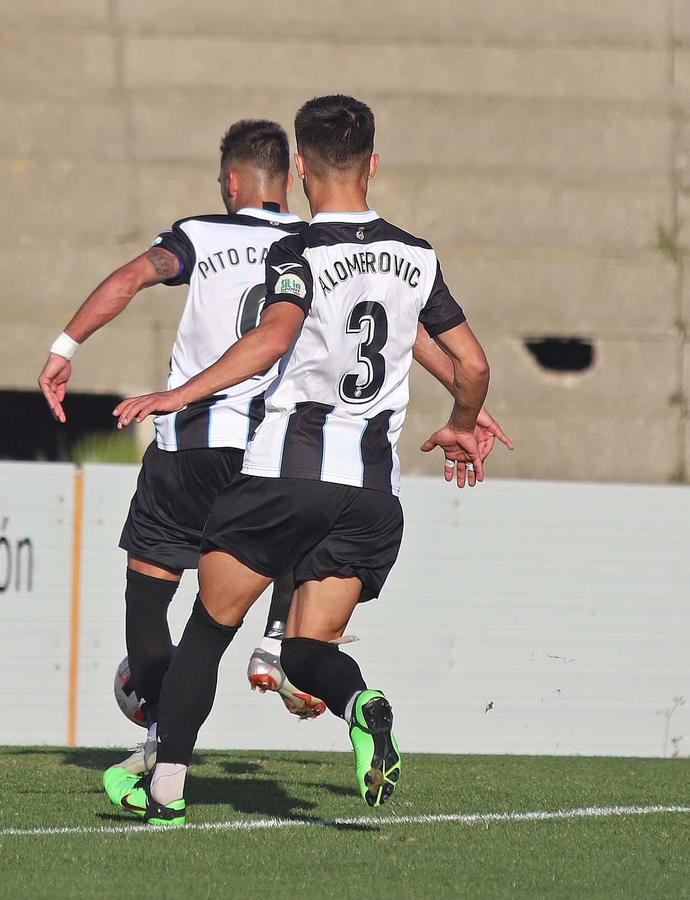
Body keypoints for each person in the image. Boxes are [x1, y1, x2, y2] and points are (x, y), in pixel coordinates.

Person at [37, 120, 508, 810]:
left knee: (198, 625)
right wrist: (466, 415)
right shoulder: (415, 254)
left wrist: (171, 389)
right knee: (308, 649)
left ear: (301, 168)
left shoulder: (287, 247)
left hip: (267, 465)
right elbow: (461, 358)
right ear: (371, 164)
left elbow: (270, 334)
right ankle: (355, 700)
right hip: (374, 492)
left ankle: (165, 784)